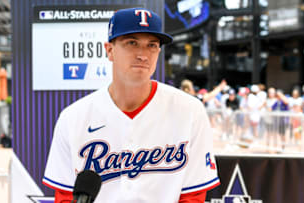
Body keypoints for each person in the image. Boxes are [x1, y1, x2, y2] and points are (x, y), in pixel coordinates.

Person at [43, 8, 219, 203]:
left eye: (151, 45)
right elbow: (65, 197)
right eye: (132, 43)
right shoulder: (73, 117)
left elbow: (193, 196)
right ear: (109, 50)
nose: (142, 54)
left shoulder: (190, 111)